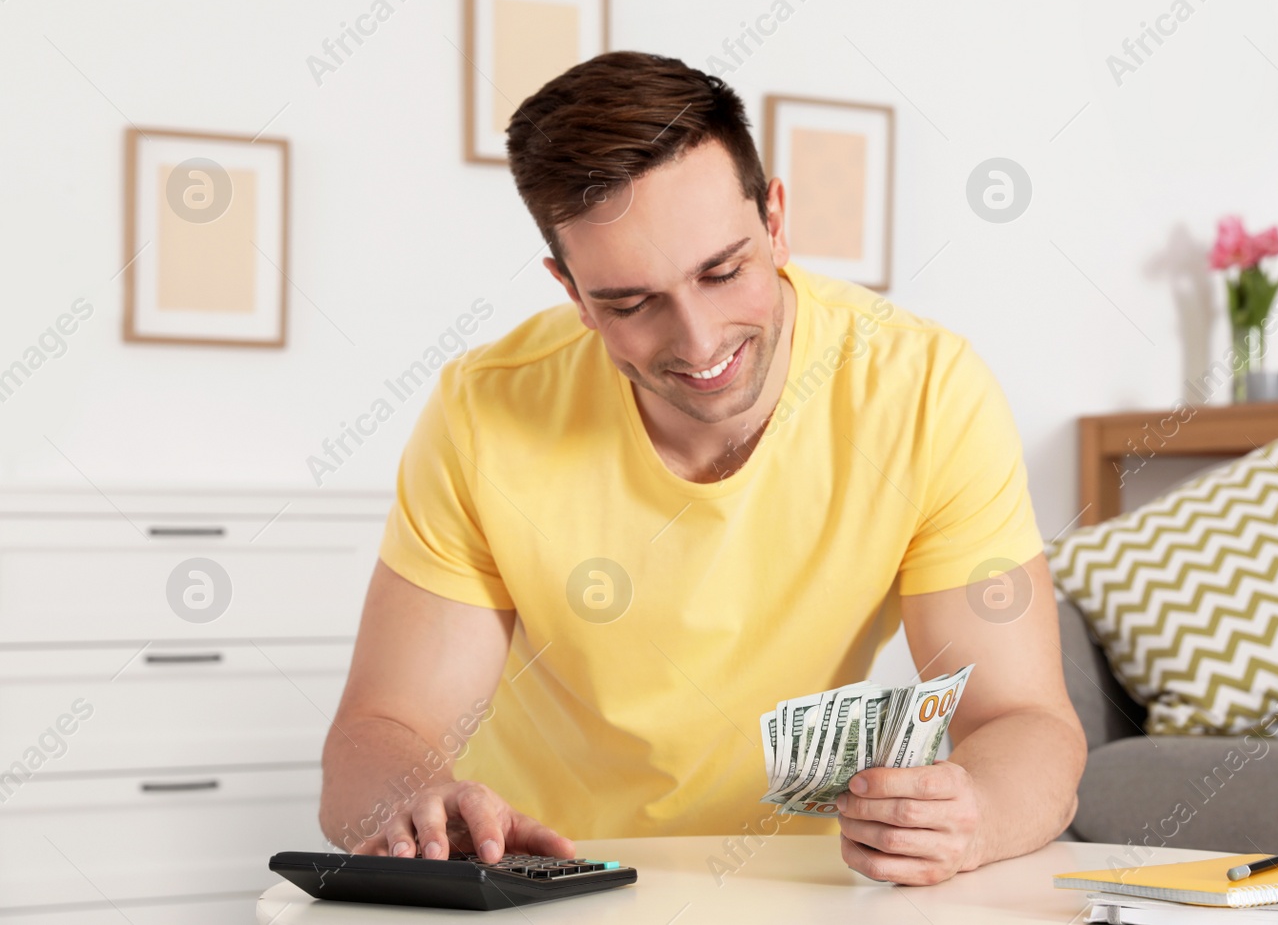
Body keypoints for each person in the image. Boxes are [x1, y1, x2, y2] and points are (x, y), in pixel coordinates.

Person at [319, 50, 1086, 886]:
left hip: (797, 885)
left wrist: (974, 816)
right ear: (571, 290)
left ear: (777, 220)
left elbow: (1028, 721)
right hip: (548, 884)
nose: (699, 340)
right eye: (631, 302)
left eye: (724, 271)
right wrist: (418, 801)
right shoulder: (484, 412)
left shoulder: (926, 393)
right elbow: (381, 726)